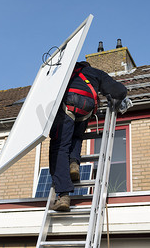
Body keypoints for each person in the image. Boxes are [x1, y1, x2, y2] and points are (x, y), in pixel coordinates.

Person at [49, 61, 127, 211]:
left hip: (68, 106)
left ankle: (63, 195)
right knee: (76, 136)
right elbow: (119, 90)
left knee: (59, 147)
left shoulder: (64, 74)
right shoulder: (95, 73)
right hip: (86, 110)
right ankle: (74, 164)